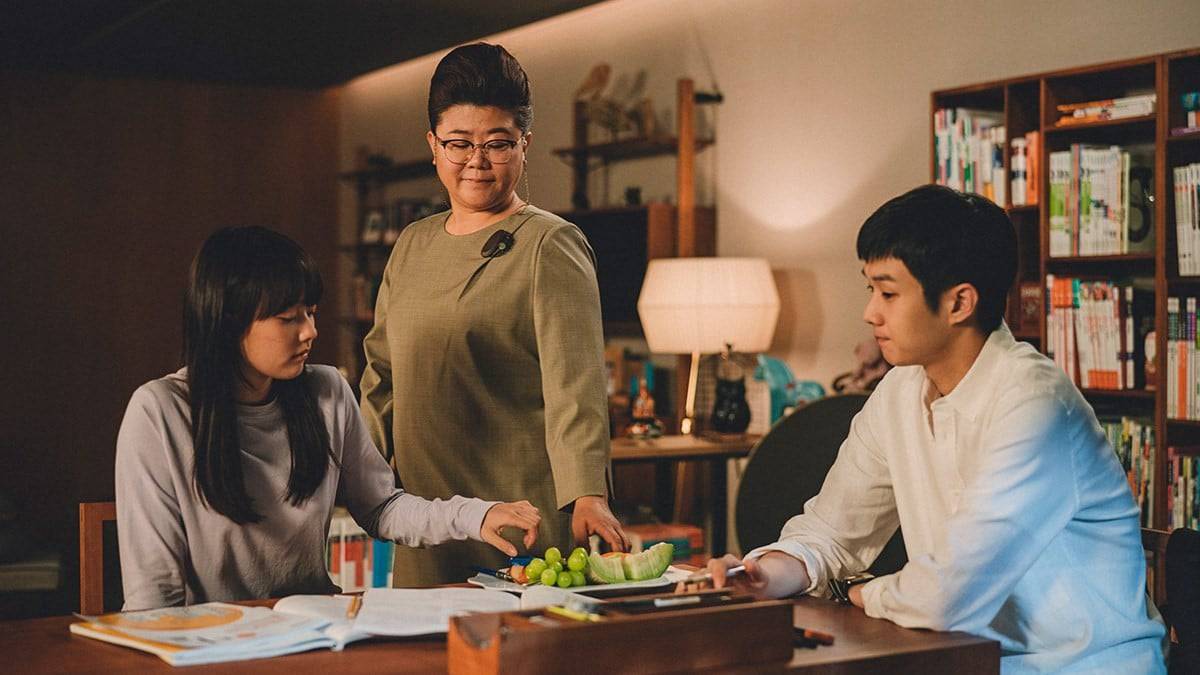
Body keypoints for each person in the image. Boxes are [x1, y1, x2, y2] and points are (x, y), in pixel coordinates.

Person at [691, 185, 1167, 673]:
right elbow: (832, 532)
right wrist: (763, 572)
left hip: (1082, 665)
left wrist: (861, 593)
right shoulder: (900, 390)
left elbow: (947, 595)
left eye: (889, 293)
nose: (870, 313)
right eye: (870, 290)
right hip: (964, 659)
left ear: (959, 302)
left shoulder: (1036, 404)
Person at [115, 226, 540, 610]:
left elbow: (381, 507)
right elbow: (154, 594)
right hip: (214, 643)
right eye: (288, 318)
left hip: (315, 626)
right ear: (228, 323)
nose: (309, 332)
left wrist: (474, 516)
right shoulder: (160, 412)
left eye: (311, 312)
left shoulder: (326, 391)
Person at [360, 42, 627, 587]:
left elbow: (575, 386)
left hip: (520, 518)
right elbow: (380, 375)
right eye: (459, 143)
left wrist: (588, 494)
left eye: (498, 144)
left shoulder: (549, 244)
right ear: (433, 145)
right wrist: (356, 473)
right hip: (427, 516)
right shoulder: (412, 244)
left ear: (525, 144)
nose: (476, 161)